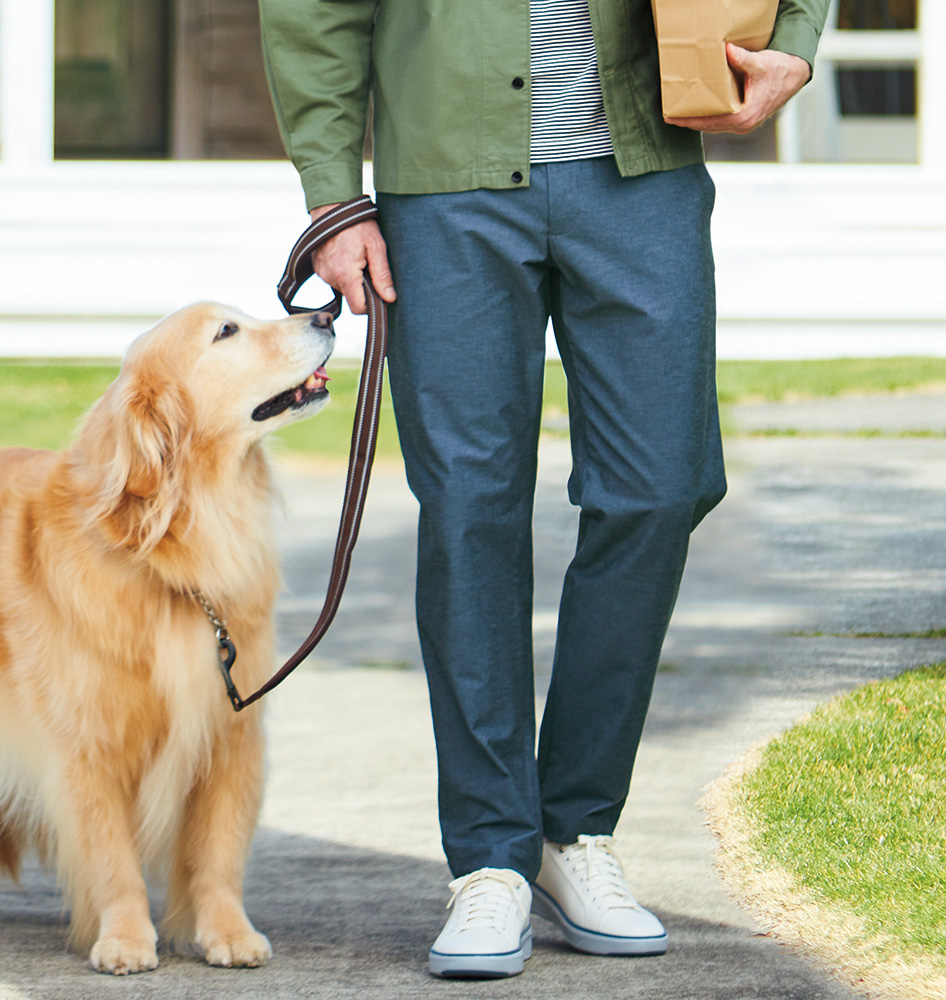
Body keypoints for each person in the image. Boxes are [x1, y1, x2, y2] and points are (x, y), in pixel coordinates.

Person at [259, 0, 830, 979]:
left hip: (642, 173)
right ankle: (489, 857)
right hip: (445, 186)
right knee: (469, 505)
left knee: (660, 485)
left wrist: (795, 41)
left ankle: (573, 833)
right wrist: (329, 196)